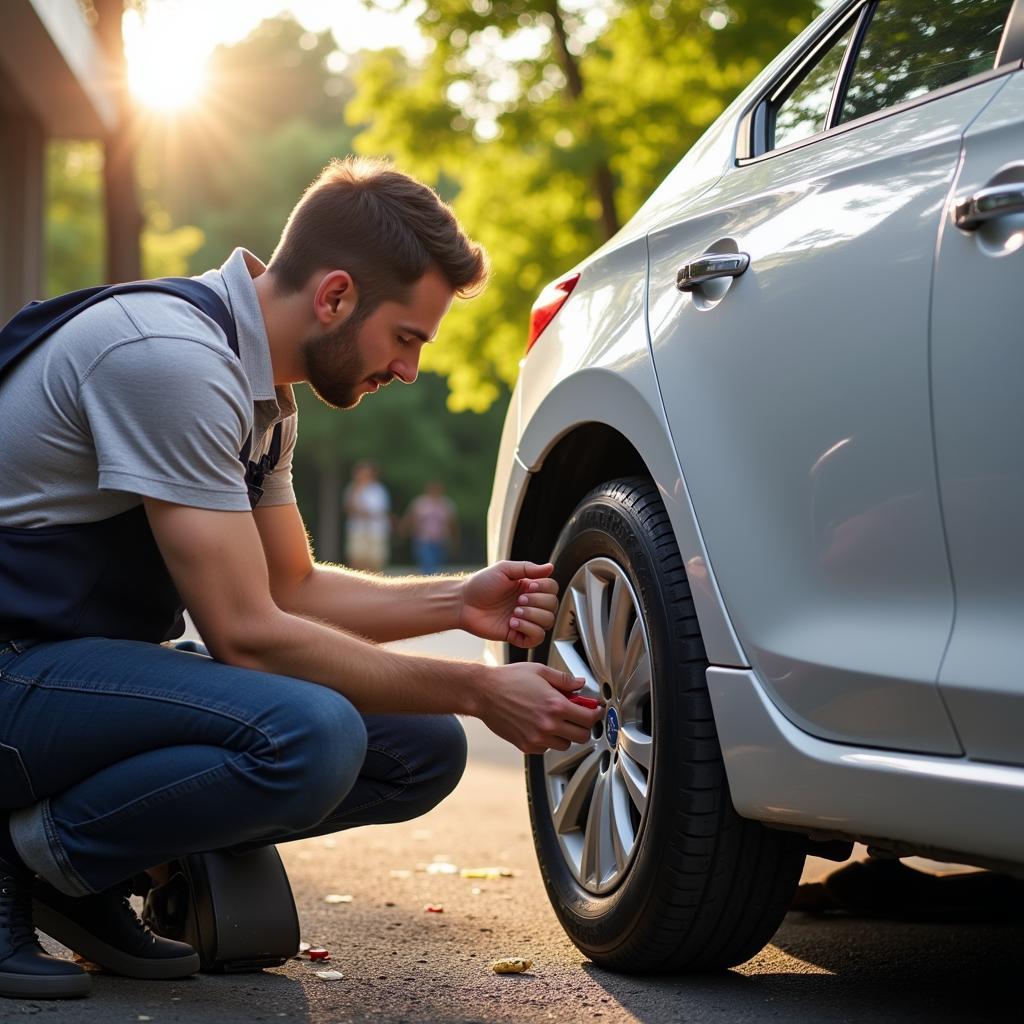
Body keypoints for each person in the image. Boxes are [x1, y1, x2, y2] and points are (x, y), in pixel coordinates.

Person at [0, 157, 604, 1001]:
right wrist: (476, 688)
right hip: (16, 670)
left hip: (67, 674)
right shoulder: (171, 360)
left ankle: (79, 867)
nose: (409, 371)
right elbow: (246, 635)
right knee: (312, 735)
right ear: (335, 297)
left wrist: (459, 601)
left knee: (418, 749)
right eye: (407, 338)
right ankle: (34, 860)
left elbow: (290, 589)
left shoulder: (265, 398)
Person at [343, 460, 391, 571]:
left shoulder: (379, 490)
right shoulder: (352, 489)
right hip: (357, 529)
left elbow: (381, 511)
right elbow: (349, 508)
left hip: (375, 530)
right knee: (356, 558)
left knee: (375, 560)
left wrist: (365, 513)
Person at [404, 480, 458, 574]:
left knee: (437, 564)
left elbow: (452, 523)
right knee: (427, 563)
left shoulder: (446, 504)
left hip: (441, 540)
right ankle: (429, 582)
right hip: (423, 539)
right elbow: (411, 518)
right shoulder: (420, 503)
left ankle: (432, 582)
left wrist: (454, 539)